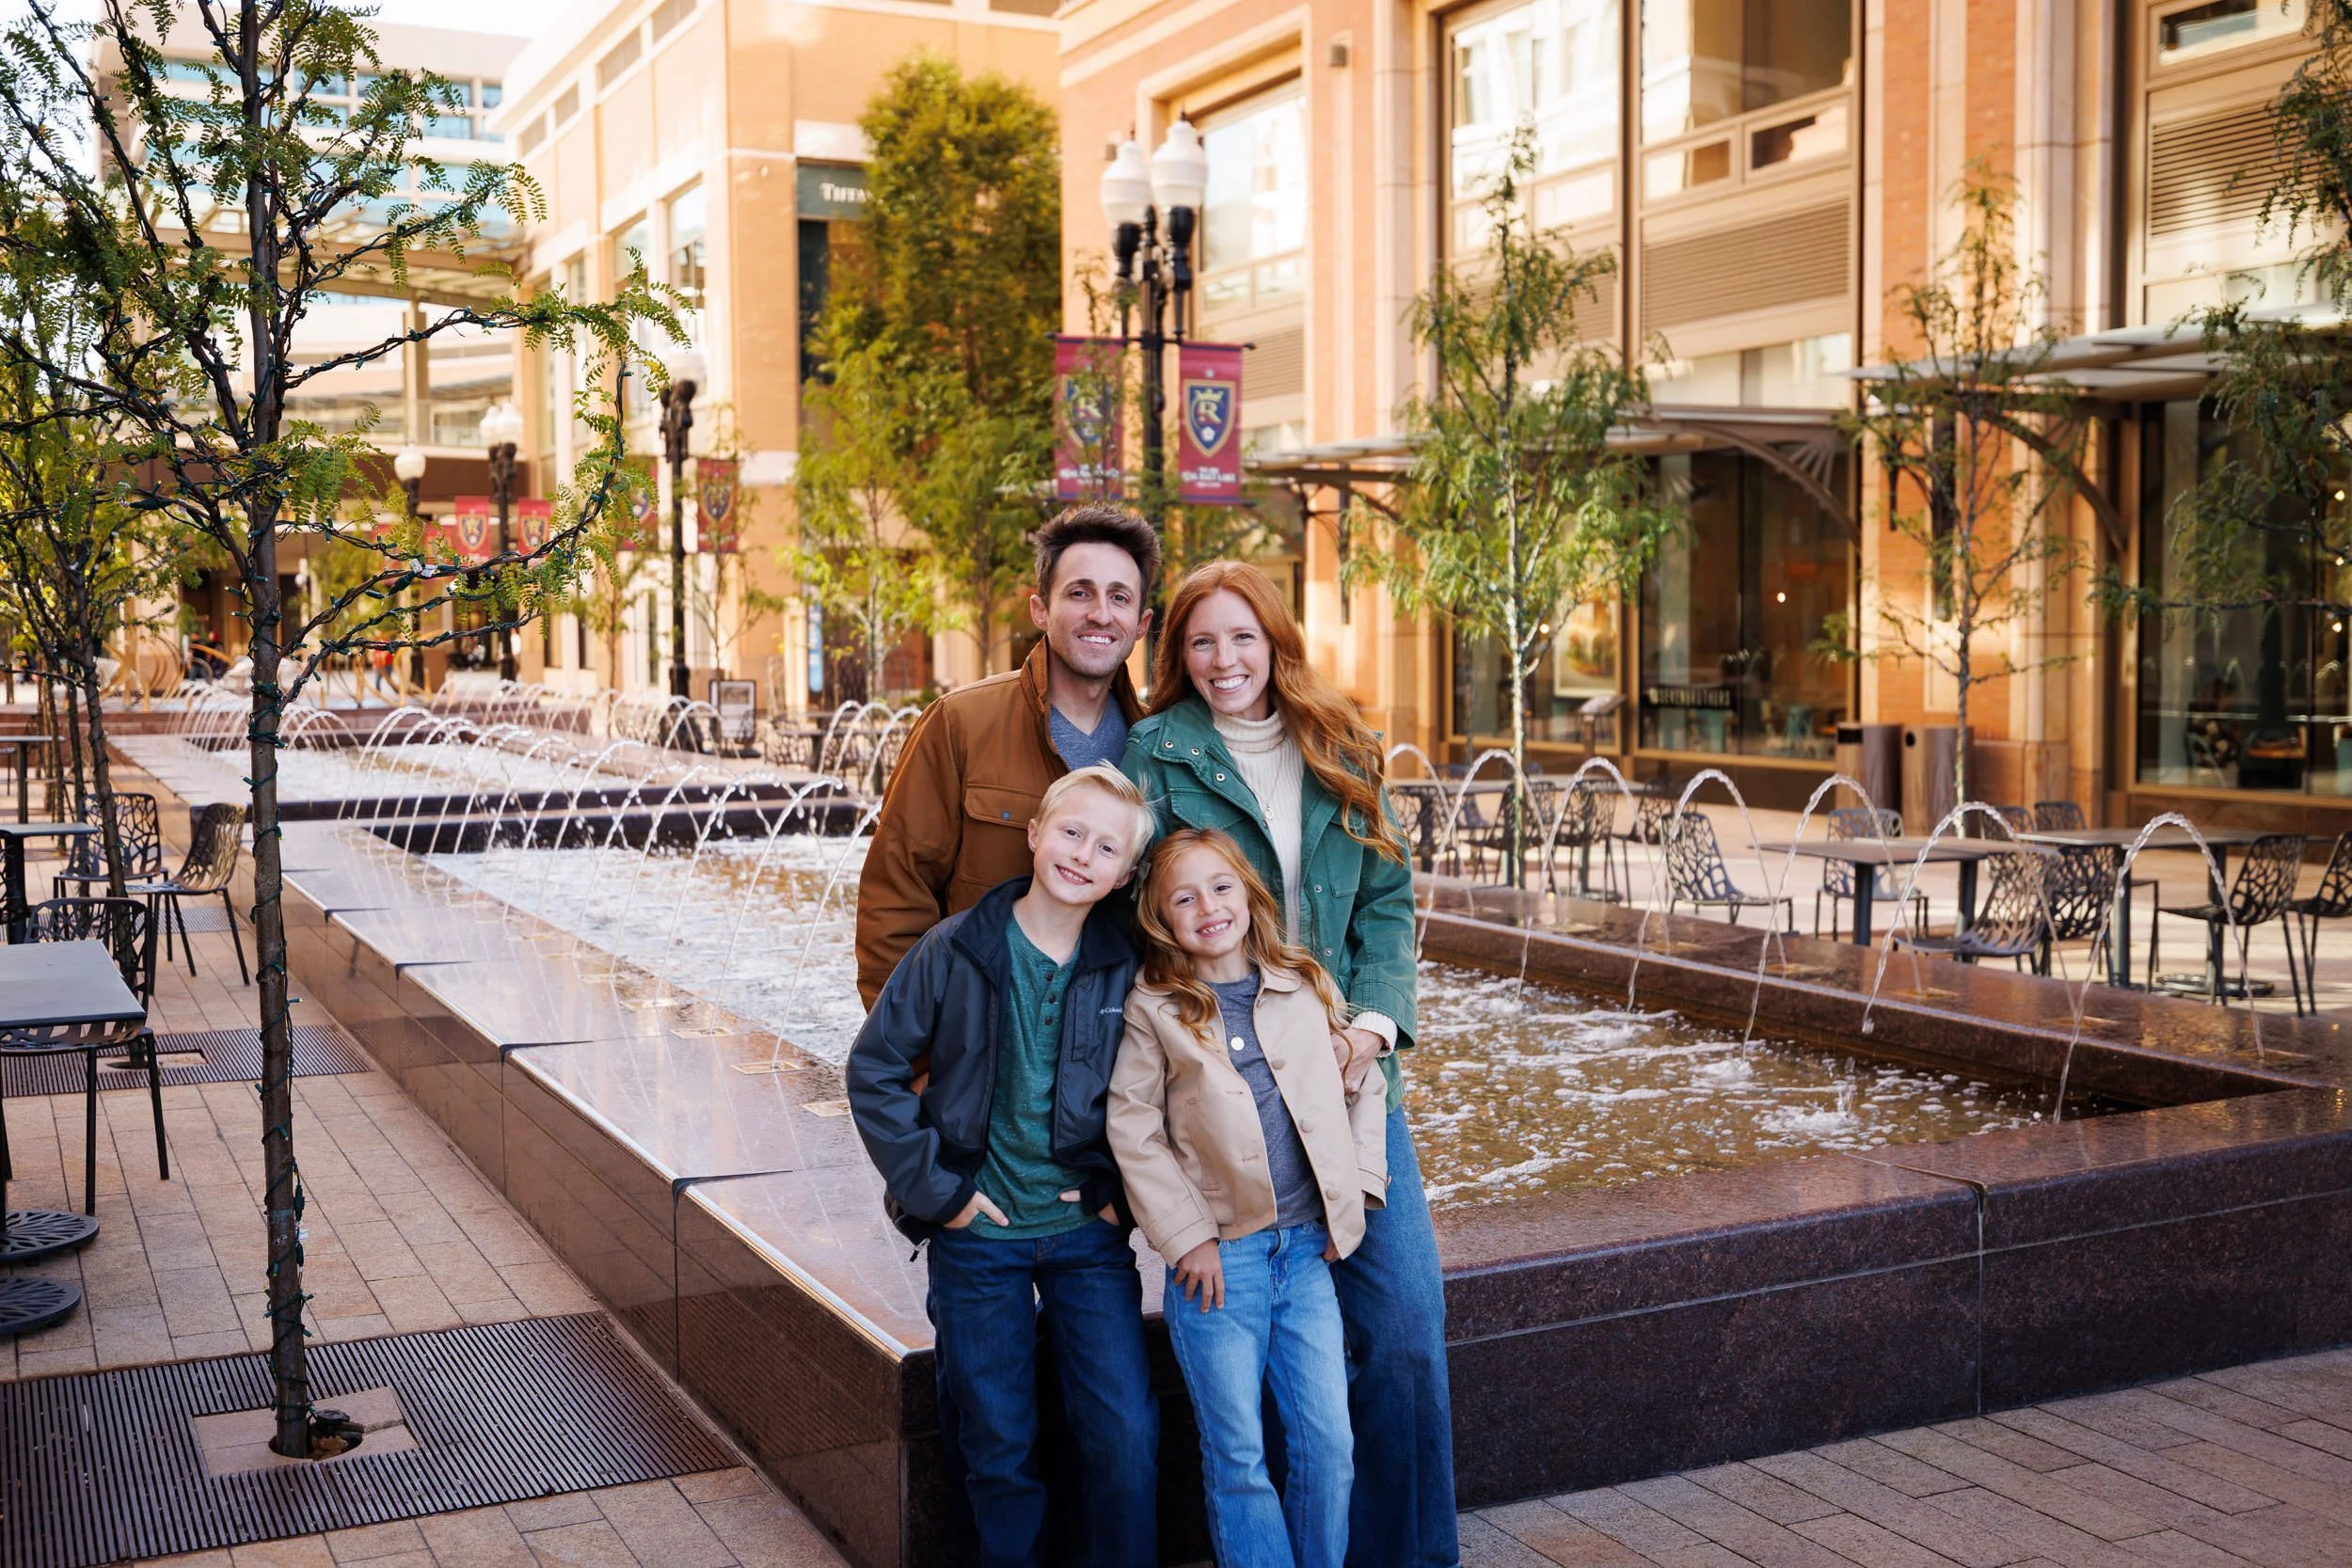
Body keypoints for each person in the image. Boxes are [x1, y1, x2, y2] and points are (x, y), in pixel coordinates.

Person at [1121, 561, 1457, 1567]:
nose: (1223, 660)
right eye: (1200, 642)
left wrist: (1372, 1028)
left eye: (1242, 638)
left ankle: (1407, 1555)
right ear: (1177, 655)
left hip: (1348, 1075)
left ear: (1276, 643)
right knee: (1256, 1353)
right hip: (1228, 1086)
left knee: (1403, 1323)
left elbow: (1387, 906)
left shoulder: (1340, 742)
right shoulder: (1157, 754)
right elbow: (1138, 914)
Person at [845, 764, 1162, 1568]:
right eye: (1070, 831)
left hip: (1087, 1237)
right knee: (996, 1441)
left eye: (1105, 847)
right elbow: (874, 1068)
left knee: (1124, 1434)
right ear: (1033, 833)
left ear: (1125, 874)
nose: (1082, 854)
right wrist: (939, 1193)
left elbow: (1171, 1092)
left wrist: (1120, 1199)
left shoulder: (1128, 966)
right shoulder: (955, 949)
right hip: (978, 1238)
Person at [1109, 829, 1387, 1568]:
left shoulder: (1302, 983)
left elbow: (1365, 1087)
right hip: (1219, 1266)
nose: (1208, 906)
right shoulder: (1154, 1008)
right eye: (1185, 897)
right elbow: (1132, 1125)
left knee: (1329, 1442)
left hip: (1305, 1256)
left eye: (1221, 886)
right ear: (1162, 919)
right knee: (1237, 1455)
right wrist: (1185, 1235)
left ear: (1248, 892)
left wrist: (1356, 1190)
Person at [855, 503, 1159, 1007]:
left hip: (1116, 1061)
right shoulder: (960, 724)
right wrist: (918, 1062)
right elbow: (895, 899)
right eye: (1079, 592)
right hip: (978, 1050)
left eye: (1119, 597)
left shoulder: (1156, 746)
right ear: (1039, 608)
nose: (1100, 613)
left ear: (1141, 621)